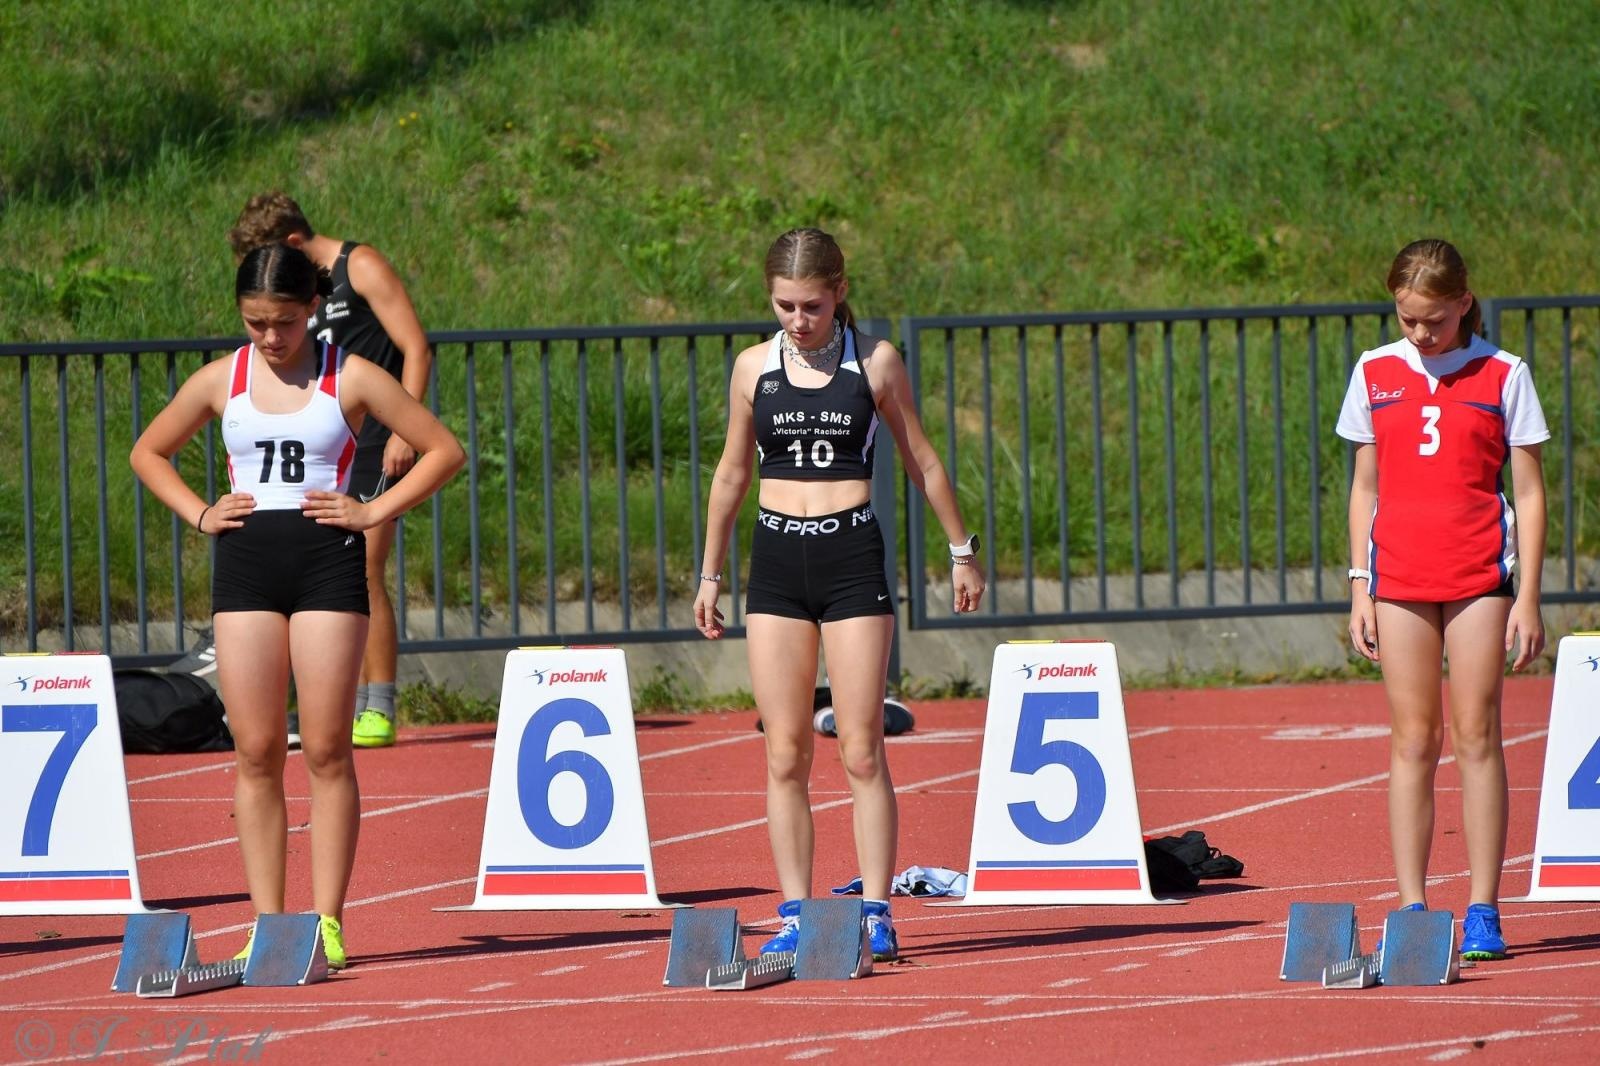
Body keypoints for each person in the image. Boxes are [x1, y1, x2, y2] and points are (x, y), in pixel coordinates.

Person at [130, 244, 464, 968]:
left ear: (312, 308)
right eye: (255, 323)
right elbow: (148, 452)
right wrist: (198, 513)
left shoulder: (353, 376)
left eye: (283, 322)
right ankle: (267, 921)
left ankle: (328, 920)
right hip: (246, 570)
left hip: (326, 568)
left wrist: (374, 511)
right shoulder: (225, 378)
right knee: (254, 752)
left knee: (326, 748)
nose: (270, 337)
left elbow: (443, 449)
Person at [694, 228, 986, 961]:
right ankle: (796, 909)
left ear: (840, 292)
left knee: (860, 750)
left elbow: (922, 458)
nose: (799, 319)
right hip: (776, 565)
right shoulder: (752, 368)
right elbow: (731, 475)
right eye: (785, 306)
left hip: (850, 557)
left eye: (812, 306)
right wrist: (709, 573)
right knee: (785, 753)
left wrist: (961, 552)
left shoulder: (876, 362)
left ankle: (879, 910)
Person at [1337, 238, 1547, 962]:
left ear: (1463, 302)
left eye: (1432, 320)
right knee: (1413, 739)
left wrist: (1529, 597)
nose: (1419, 334)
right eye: (1406, 320)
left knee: (1477, 733)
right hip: (1397, 576)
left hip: (1479, 575)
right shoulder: (1374, 371)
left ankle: (1484, 908)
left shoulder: (1504, 373)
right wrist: (1358, 586)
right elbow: (1365, 486)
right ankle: (1413, 908)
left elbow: (1528, 490)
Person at [228, 192, 432, 749]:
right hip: (321, 435)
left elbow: (415, 345)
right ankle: (317, 704)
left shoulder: (359, 265)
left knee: (363, 563)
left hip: (373, 437)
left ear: (292, 245)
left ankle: (379, 703)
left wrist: (401, 431)